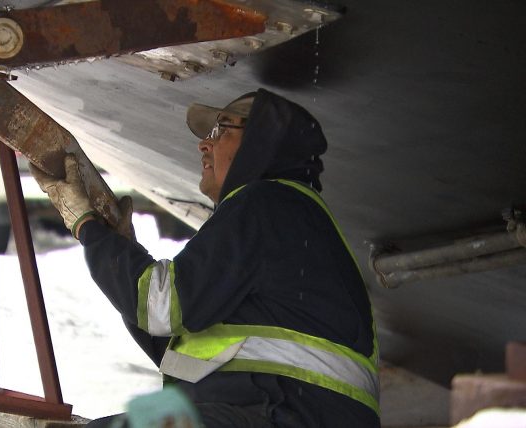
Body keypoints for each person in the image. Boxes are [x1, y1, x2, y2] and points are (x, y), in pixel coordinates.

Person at [31, 88, 380, 427]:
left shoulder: (265, 203)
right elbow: (178, 348)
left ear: (262, 141)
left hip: (284, 411)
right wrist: (120, 247)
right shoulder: (286, 215)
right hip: (291, 409)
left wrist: (87, 227)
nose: (204, 144)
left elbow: (161, 307)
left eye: (220, 130)